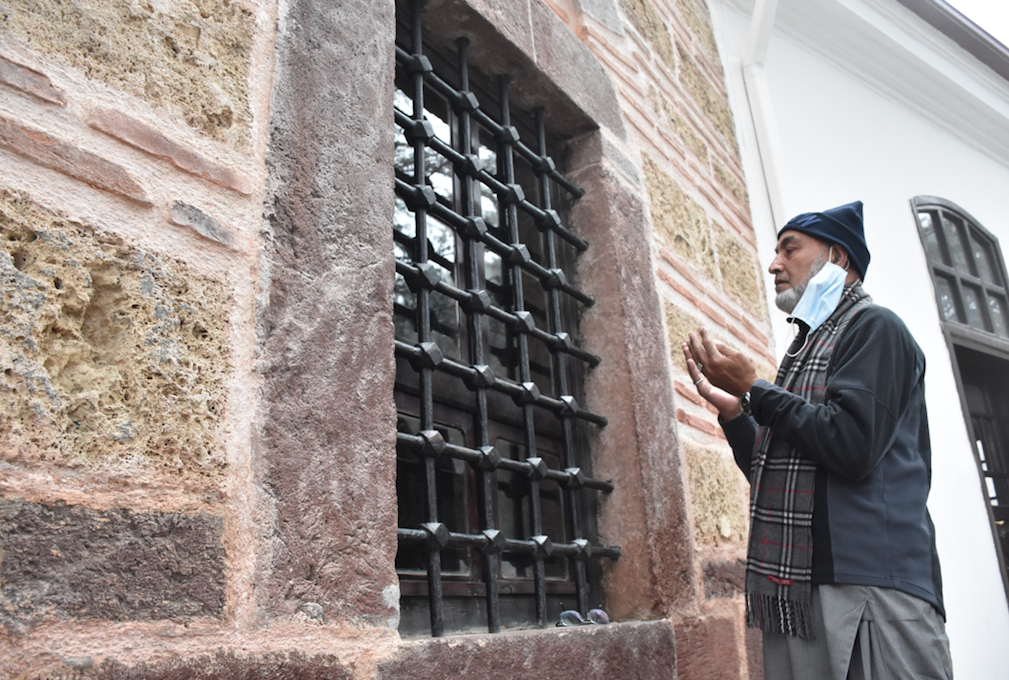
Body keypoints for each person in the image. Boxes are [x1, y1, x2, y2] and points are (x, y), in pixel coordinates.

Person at [683, 201, 952, 679]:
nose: (773, 265)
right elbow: (777, 470)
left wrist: (756, 390)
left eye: (790, 249)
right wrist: (737, 415)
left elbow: (851, 445)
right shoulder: (803, 352)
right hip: (799, 592)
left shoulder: (876, 328)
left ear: (838, 258)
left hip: (872, 591)